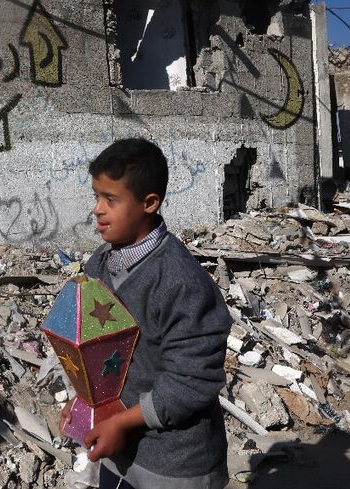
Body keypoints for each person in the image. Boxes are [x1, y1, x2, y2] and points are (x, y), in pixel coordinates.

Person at [60, 138, 231, 489]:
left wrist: (122, 422)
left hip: (174, 465)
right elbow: (94, 348)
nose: (98, 209)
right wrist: (84, 399)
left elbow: (190, 381)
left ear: (149, 203)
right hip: (118, 454)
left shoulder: (180, 282)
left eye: (111, 199)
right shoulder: (100, 264)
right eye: (96, 197)